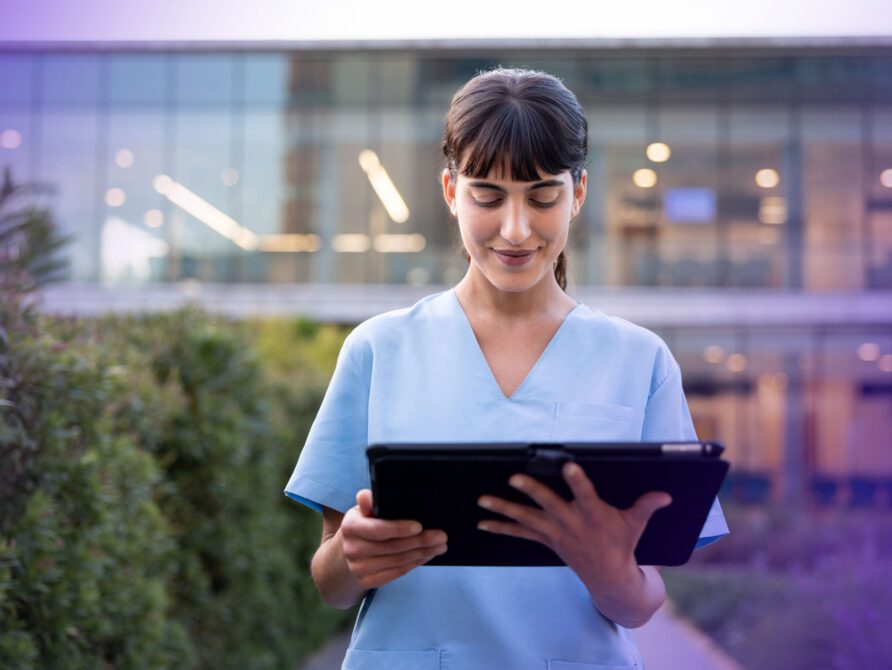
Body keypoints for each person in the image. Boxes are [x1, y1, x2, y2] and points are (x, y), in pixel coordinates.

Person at [284, 67, 729, 670]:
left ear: (578, 194)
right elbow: (332, 582)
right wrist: (352, 559)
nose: (515, 229)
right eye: (487, 197)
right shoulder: (377, 350)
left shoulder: (639, 361)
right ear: (449, 191)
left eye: (542, 196)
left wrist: (610, 572)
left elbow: (642, 603)